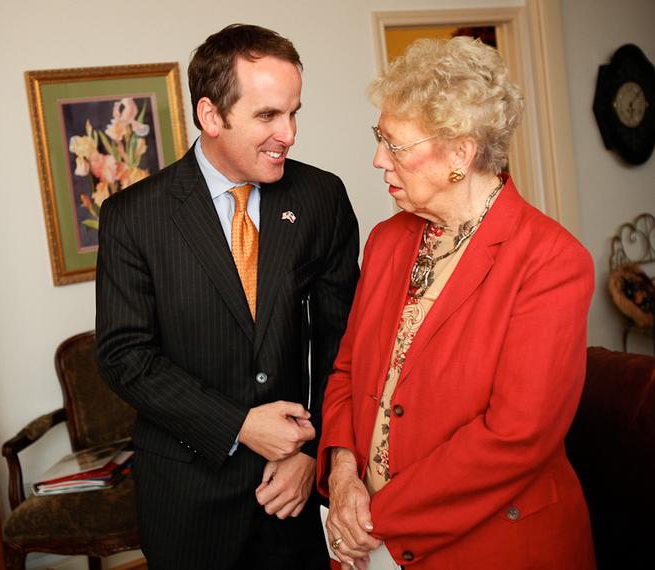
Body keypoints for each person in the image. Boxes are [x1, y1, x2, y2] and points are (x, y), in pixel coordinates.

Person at [317, 37, 596, 569]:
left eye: (395, 145)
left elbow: (514, 438)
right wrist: (344, 474)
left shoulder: (551, 261)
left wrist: (374, 518)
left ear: (459, 155)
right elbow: (349, 371)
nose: (378, 159)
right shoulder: (387, 240)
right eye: (380, 138)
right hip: (368, 540)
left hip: (493, 547)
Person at [96, 23, 359, 570]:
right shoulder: (133, 217)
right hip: (187, 498)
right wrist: (240, 425)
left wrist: (311, 452)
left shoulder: (321, 197)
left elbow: (345, 344)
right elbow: (126, 358)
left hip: (292, 495)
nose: (289, 134)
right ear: (211, 115)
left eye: (294, 113)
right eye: (268, 116)